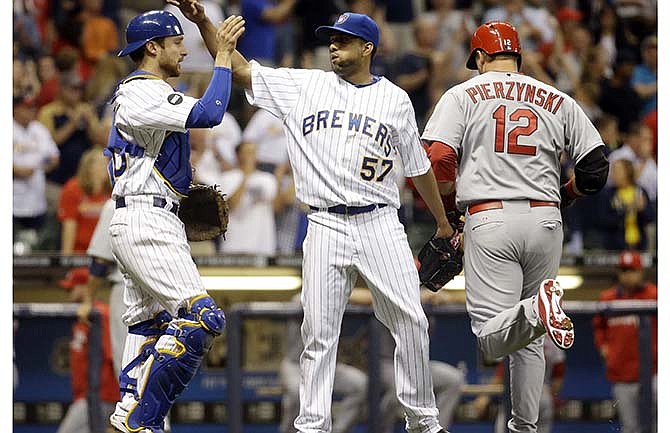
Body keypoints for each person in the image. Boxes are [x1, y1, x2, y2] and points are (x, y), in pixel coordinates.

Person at [171, 4, 455, 432]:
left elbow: (418, 169)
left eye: (342, 41)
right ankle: (312, 425)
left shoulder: (394, 99)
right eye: (331, 40)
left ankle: (423, 421)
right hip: (323, 223)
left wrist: (444, 222)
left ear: (368, 47)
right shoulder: (303, 85)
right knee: (319, 333)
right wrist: (205, 25)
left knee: (410, 319)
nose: (333, 47)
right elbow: (244, 70)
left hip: (380, 219)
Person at [421, 21, 609, 433]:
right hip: (546, 218)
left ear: (481, 58)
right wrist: (567, 194)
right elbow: (595, 169)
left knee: (491, 338)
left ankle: (537, 308)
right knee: (529, 341)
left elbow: (436, 160)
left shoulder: (463, 94)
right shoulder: (556, 97)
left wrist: (449, 213)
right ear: (517, 57)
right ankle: (524, 428)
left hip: (489, 218)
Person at [105, 10, 245, 433]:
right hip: (147, 222)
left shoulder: (146, 93)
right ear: (153, 47)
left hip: (150, 215)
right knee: (202, 319)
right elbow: (209, 112)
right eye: (177, 42)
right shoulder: (140, 92)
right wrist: (223, 55)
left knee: (152, 331)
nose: (185, 50)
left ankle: (130, 415)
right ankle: (142, 422)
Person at [280, 294, 367, 433]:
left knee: (360, 384)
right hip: (296, 365)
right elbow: (307, 300)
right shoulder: (300, 298)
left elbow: (368, 300)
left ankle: (338, 430)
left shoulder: (339, 295)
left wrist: (347, 294)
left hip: (328, 365)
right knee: (297, 394)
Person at [592, 250, 657, 433]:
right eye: (624, 271)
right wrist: (603, 346)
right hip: (621, 375)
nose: (628, 275)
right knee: (630, 428)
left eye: (632, 270)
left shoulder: (654, 294)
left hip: (653, 374)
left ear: (640, 272)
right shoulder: (608, 298)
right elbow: (599, 327)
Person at [56, 267, 119, 433]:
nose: (68, 291)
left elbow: (114, 356)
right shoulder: (81, 317)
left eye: (72, 287)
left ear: (86, 286)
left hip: (101, 396)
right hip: (86, 396)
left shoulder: (101, 314)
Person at [217, 141, 279, 256]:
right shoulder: (227, 178)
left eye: (253, 152)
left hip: (262, 247)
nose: (250, 156)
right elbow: (230, 207)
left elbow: (275, 206)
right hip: (233, 246)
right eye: (247, 152)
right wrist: (245, 176)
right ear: (238, 155)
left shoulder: (267, 178)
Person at [58, 148, 112, 254]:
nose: (106, 166)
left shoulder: (115, 190)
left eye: (108, 162)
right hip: (80, 253)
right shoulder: (72, 189)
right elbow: (69, 226)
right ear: (89, 168)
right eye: (101, 163)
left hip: (108, 254)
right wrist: (66, 259)